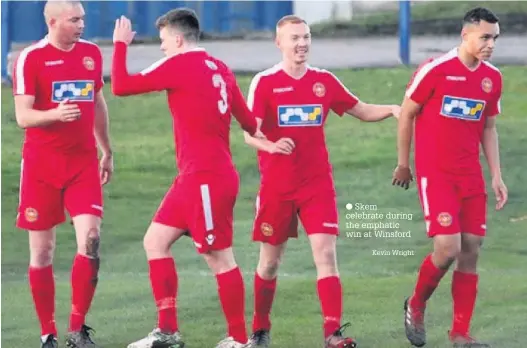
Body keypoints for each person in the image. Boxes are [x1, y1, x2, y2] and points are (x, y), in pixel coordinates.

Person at [243, 15, 400, 348]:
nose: (302, 44)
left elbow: (359, 109)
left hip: (317, 185)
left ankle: (332, 334)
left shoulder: (324, 81)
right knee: (269, 263)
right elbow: (249, 134)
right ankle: (259, 330)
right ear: (279, 43)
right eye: (294, 38)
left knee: (326, 254)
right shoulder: (265, 82)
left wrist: (391, 109)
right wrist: (271, 145)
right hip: (277, 187)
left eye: (306, 37)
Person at [111, 8, 264, 348]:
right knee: (155, 242)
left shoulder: (179, 64)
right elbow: (250, 123)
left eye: (164, 40)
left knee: (219, 258)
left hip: (205, 179)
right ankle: (167, 332)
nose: (162, 47)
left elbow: (120, 86)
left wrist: (120, 45)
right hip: (196, 178)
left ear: (178, 39)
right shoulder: (220, 68)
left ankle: (239, 340)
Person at [392, 7, 507, 348]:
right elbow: (407, 113)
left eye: (495, 39)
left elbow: (488, 127)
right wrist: (403, 164)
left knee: (471, 248)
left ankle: (460, 334)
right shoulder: (436, 70)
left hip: (470, 175)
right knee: (448, 247)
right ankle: (416, 303)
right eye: (485, 37)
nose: (490, 45)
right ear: (466, 35)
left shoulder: (492, 78)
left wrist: (496, 175)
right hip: (436, 175)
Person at [12, 1, 113, 347]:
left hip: (82, 164)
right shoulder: (31, 58)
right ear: (54, 22)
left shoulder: (91, 55)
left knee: (91, 240)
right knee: (42, 253)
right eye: (74, 19)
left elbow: (98, 103)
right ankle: (47, 333)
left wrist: (107, 150)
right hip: (41, 167)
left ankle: (77, 329)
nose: (82, 24)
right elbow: (23, 117)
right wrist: (55, 114)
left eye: (83, 18)